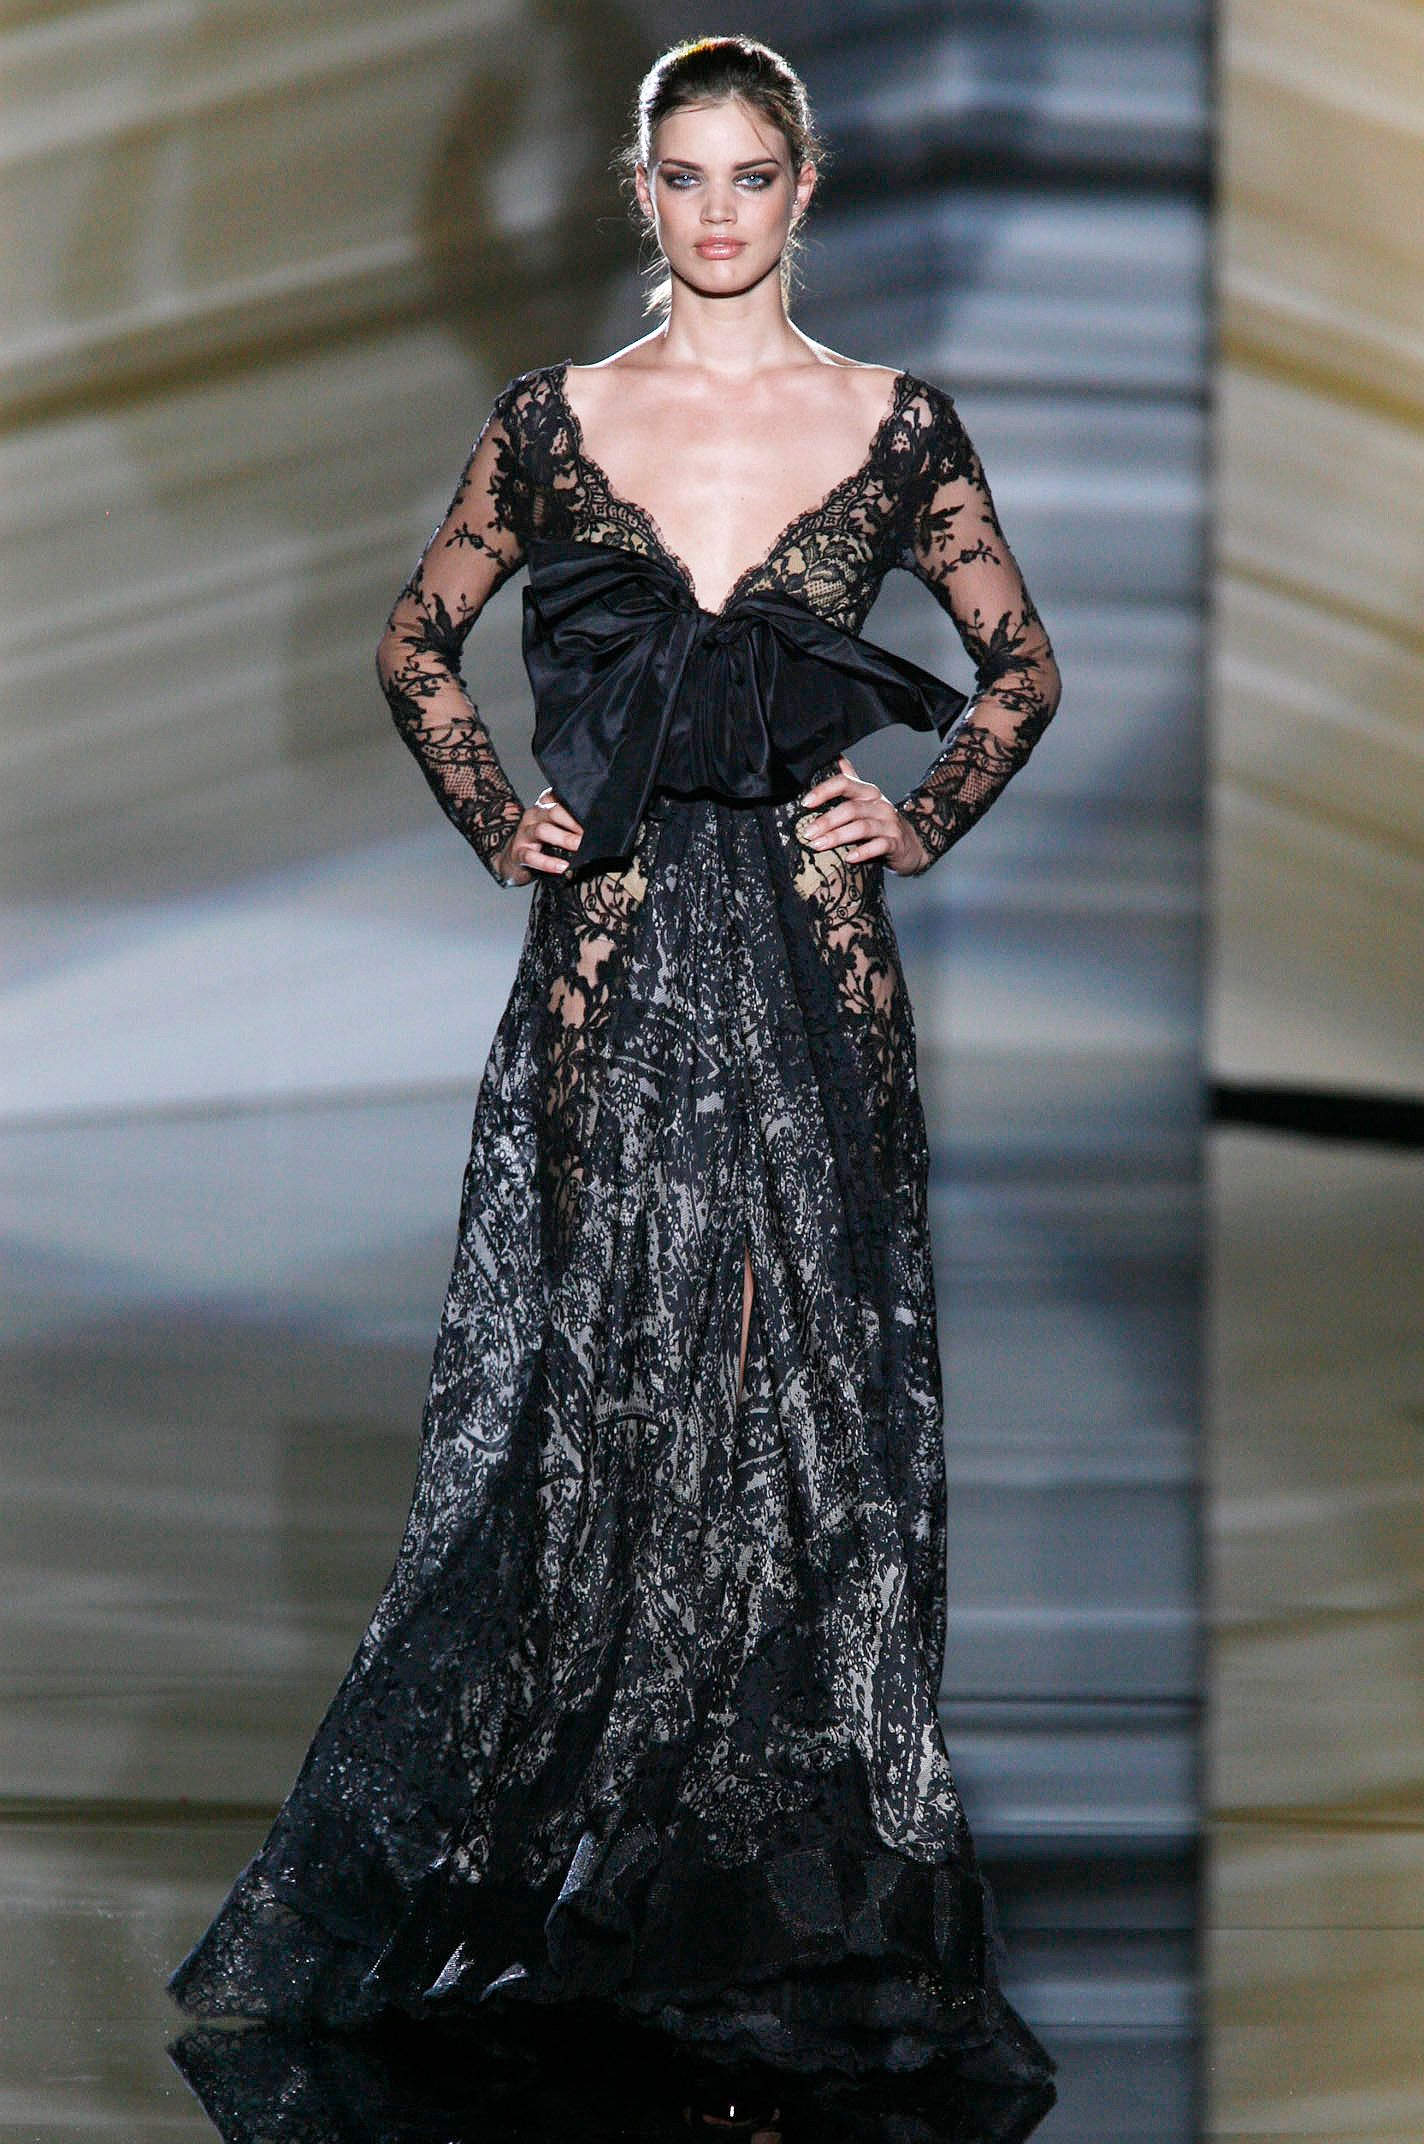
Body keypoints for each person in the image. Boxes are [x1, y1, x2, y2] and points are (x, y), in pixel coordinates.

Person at [167, 31, 1062, 2133]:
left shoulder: (893, 425)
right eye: (685, 174)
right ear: (640, 193)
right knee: (607, 1382)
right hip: (611, 962)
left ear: (804, 189)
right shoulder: (552, 424)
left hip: (817, 970)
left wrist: (916, 816)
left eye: (752, 173)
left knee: (802, 1392)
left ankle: (748, 1864)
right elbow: (414, 639)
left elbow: (1020, 667)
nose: (719, 209)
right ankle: (595, 1843)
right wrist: (499, 817)